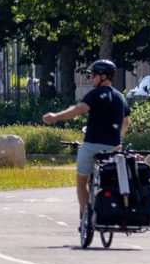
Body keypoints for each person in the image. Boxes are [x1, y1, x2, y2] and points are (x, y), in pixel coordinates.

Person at [42, 59, 129, 216]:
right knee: (111, 177)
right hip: (113, 148)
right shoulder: (120, 98)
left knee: (82, 180)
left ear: (103, 76)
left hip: (91, 146)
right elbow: (125, 123)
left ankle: (84, 213)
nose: (90, 79)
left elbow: (78, 109)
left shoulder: (94, 95)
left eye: (93, 75)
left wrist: (55, 117)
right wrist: (117, 140)